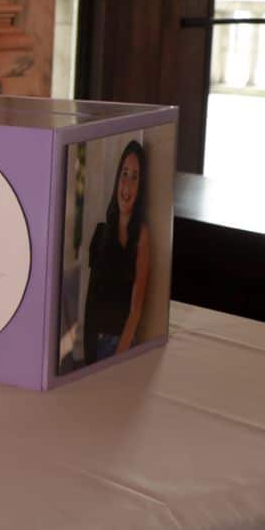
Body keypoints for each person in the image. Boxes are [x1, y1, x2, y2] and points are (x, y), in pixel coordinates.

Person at [83, 140, 151, 363]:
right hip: (94, 342)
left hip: (119, 345)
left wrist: (120, 353)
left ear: (140, 186)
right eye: (124, 173)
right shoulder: (102, 232)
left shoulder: (140, 236)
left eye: (134, 177)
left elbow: (136, 307)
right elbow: (91, 300)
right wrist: (88, 350)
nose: (127, 185)